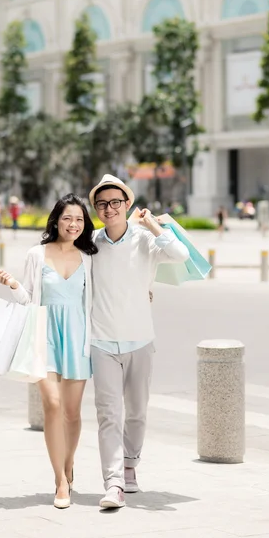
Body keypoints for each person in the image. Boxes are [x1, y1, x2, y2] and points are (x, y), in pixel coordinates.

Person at [89, 174, 190, 510]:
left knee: (136, 411)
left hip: (140, 341)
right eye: (102, 204)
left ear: (128, 205)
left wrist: (152, 225)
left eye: (115, 202)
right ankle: (113, 482)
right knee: (108, 414)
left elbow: (180, 255)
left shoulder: (146, 241)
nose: (109, 208)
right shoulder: (90, 244)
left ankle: (131, 464)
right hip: (101, 342)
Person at [0, 194, 97, 509]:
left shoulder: (89, 257)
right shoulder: (36, 254)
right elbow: (29, 298)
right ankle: (60, 482)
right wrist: (13, 284)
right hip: (43, 336)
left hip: (78, 338)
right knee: (52, 406)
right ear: (56, 220)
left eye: (79, 219)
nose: (73, 224)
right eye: (68, 218)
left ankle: (68, 463)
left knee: (72, 413)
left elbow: (99, 297)